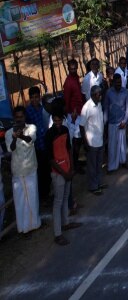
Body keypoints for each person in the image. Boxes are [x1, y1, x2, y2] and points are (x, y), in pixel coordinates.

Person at [45, 111, 81, 245]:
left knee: (65, 198)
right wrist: (64, 172)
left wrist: (71, 168)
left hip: (66, 169)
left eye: (59, 120)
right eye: (55, 121)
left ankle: (65, 223)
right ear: (52, 121)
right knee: (58, 202)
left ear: (62, 119)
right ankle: (57, 234)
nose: (58, 123)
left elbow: (69, 150)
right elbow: (50, 159)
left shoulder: (65, 130)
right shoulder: (49, 135)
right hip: (58, 172)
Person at [6, 106, 41, 235]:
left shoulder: (31, 128)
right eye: (17, 117)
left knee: (32, 198)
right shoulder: (9, 133)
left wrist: (21, 136)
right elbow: (10, 149)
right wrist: (15, 137)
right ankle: (23, 229)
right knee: (20, 201)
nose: (19, 119)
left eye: (21, 117)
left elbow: (31, 140)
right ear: (14, 118)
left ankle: (35, 224)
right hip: (18, 171)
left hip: (31, 168)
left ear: (25, 117)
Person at [25, 86, 50, 204]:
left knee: (47, 171)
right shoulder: (28, 112)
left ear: (39, 97)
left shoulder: (43, 109)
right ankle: (42, 197)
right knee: (40, 173)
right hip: (36, 147)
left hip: (45, 144)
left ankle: (47, 194)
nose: (35, 100)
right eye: (32, 98)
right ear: (29, 99)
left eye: (36, 97)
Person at [104, 73, 128, 173]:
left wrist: (124, 121)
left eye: (120, 82)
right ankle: (111, 166)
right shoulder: (108, 93)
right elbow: (106, 108)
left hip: (122, 122)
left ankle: (123, 161)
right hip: (111, 122)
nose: (119, 84)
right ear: (113, 82)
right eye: (117, 83)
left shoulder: (125, 92)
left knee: (122, 144)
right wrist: (105, 122)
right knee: (112, 145)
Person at [81, 86, 105, 195]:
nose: (101, 95)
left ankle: (99, 183)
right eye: (99, 94)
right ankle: (93, 186)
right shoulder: (86, 108)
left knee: (99, 164)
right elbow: (81, 126)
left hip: (100, 140)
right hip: (91, 142)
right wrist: (85, 143)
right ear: (93, 95)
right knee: (92, 166)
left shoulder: (99, 104)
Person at [63, 59, 85, 174]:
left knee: (79, 139)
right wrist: (71, 114)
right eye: (71, 68)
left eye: (75, 68)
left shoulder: (76, 78)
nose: (73, 70)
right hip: (73, 115)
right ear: (68, 69)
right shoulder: (68, 82)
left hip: (79, 112)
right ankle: (75, 165)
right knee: (75, 140)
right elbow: (66, 100)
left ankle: (76, 161)